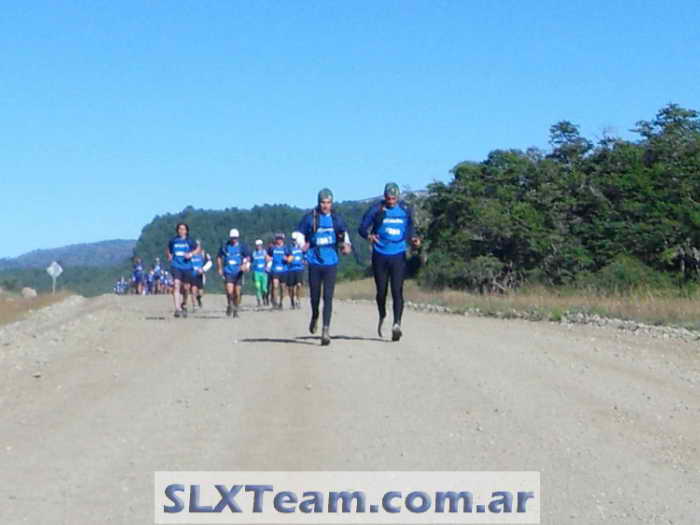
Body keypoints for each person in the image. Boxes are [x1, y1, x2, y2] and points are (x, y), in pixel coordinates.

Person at [358, 182, 420, 341]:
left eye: (393, 198)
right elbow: (362, 228)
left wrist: (414, 239)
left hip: (398, 254)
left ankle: (397, 324)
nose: (391, 201)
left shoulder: (405, 210)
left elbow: (410, 229)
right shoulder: (376, 209)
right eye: (388, 198)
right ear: (384, 196)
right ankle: (382, 314)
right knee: (381, 291)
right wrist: (369, 236)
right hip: (380, 254)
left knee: (397, 290)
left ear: (398, 197)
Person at [297, 188, 352, 346]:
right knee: (315, 297)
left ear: (332, 203)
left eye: (328, 202)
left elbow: (344, 235)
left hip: (331, 262)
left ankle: (325, 330)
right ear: (318, 202)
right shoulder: (311, 218)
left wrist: (346, 246)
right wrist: (302, 245)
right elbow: (299, 234)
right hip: (314, 262)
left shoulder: (336, 219)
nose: (325, 206)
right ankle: (315, 315)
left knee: (328, 297)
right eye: (323, 202)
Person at [167, 223, 200, 318]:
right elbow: (168, 249)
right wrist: (169, 255)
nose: (181, 231)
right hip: (176, 265)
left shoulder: (190, 241)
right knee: (176, 285)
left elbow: (198, 249)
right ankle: (177, 309)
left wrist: (191, 254)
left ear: (186, 231)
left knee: (186, 288)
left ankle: (184, 303)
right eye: (179, 229)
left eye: (183, 229)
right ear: (177, 230)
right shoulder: (173, 240)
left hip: (187, 266)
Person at [217, 228, 251, 318]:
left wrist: (246, 265)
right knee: (229, 291)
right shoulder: (225, 246)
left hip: (238, 272)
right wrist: (220, 268)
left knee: (237, 292)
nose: (234, 239)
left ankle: (235, 309)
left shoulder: (242, 247)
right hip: (228, 271)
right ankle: (230, 304)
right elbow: (219, 257)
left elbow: (248, 257)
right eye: (232, 238)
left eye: (235, 238)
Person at [267, 233, 290, 310]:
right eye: (277, 239)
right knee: (275, 286)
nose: (279, 240)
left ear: (282, 240)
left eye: (280, 239)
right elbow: (267, 255)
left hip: (284, 270)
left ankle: (281, 302)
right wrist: (268, 258)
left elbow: (291, 257)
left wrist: (287, 259)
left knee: (282, 288)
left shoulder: (286, 248)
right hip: (275, 270)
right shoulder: (272, 248)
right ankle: (275, 303)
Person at [190, 241, 213, 311]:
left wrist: (203, 269)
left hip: (200, 275)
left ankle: (198, 298)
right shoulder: (190, 253)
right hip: (192, 274)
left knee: (201, 292)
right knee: (193, 290)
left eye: (198, 245)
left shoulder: (203, 253)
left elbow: (210, 262)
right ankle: (194, 306)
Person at [286, 231, 306, 310]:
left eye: (295, 240)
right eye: (293, 240)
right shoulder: (289, 248)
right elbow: (286, 257)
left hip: (299, 269)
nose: (294, 241)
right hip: (291, 269)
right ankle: (292, 301)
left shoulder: (301, 248)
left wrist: (304, 260)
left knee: (299, 285)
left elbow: (305, 256)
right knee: (291, 287)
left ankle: (298, 300)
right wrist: (288, 259)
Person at [251, 239, 269, 307]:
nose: (258, 246)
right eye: (257, 245)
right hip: (256, 273)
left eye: (259, 245)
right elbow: (251, 261)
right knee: (257, 287)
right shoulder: (254, 253)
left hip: (263, 273)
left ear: (261, 245)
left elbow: (267, 259)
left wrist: (266, 267)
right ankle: (258, 301)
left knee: (264, 288)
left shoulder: (264, 252)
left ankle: (265, 298)